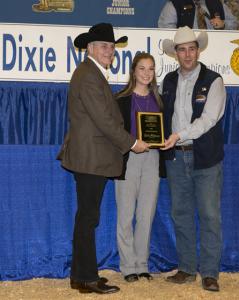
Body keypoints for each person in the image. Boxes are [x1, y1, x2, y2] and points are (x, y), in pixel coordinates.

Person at [57, 23, 149, 294]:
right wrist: (132, 143)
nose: (110, 51)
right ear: (91, 48)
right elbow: (104, 120)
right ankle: (85, 278)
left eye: (112, 47)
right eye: (105, 47)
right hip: (90, 158)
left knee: (87, 217)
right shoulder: (88, 75)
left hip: (90, 157)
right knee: (88, 218)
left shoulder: (92, 73)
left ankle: (81, 275)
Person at [159, 26, 226, 292]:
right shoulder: (168, 81)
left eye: (191, 48)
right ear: (175, 53)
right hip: (176, 157)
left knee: (210, 215)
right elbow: (160, 114)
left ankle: (210, 273)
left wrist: (177, 135)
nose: (187, 54)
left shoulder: (214, 81)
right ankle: (186, 268)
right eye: (182, 49)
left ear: (198, 50)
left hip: (206, 158)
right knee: (181, 213)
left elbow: (208, 120)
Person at [114, 53, 163, 282]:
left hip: (152, 158)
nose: (146, 73)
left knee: (146, 214)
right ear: (133, 71)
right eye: (142, 68)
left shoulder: (159, 100)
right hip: (129, 159)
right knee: (125, 214)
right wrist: (133, 144)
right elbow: (114, 132)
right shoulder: (121, 99)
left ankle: (142, 264)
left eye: (151, 69)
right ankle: (127, 267)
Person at [158, 0, 238, 30]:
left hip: (215, 47)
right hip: (186, 49)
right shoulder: (175, 4)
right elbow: (165, 28)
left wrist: (223, 24)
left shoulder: (217, 3)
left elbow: (234, 23)